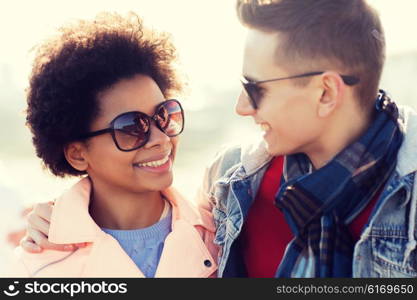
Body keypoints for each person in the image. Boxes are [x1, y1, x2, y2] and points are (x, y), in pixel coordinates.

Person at [22, 0, 417, 278]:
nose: (242, 107)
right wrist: (63, 218)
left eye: (256, 87)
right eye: (132, 127)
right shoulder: (232, 184)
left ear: (326, 93)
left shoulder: (408, 200)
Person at [10, 12, 218, 278]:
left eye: (162, 116)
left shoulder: (221, 236)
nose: (161, 138)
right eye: (132, 127)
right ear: (77, 154)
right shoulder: (34, 268)